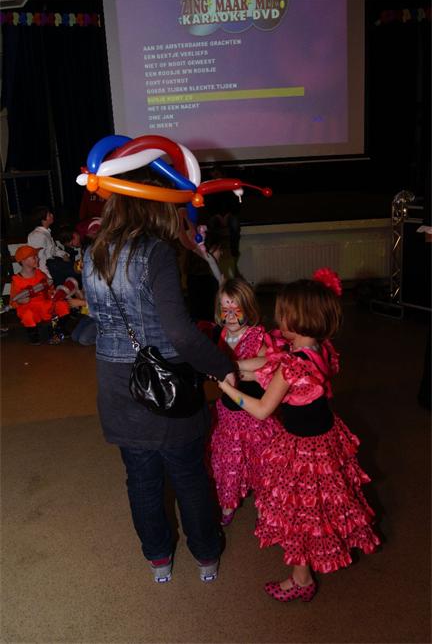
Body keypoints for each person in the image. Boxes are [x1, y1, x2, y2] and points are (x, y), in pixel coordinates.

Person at [82, 167, 235, 584]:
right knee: (188, 474)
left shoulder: (92, 253)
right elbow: (181, 334)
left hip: (116, 382)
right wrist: (223, 367)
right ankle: (206, 555)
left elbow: (98, 317)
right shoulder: (157, 253)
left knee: (141, 479)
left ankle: (158, 559)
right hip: (166, 383)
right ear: (155, 208)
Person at [218, 269, 381, 602]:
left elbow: (262, 409)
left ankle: (301, 579)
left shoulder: (292, 366)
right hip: (324, 439)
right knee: (313, 507)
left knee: (297, 511)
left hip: (303, 450)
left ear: (297, 320)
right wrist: (235, 366)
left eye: (283, 314)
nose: (278, 320)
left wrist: (225, 386)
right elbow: (267, 364)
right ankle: (302, 573)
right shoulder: (319, 348)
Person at [206, 278, 282, 525]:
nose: (229, 315)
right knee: (227, 462)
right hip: (227, 415)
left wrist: (231, 365)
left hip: (254, 416)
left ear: (248, 310)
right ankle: (227, 504)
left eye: (235, 309)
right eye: (224, 308)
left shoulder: (256, 335)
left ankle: (264, 508)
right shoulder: (220, 334)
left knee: (261, 464)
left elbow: (267, 360)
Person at [10, 245, 70, 345]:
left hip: (44, 303)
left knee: (62, 304)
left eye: (37, 256)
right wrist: (20, 301)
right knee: (28, 315)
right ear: (23, 261)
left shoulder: (39, 273)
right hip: (29, 306)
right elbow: (13, 300)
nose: (37, 258)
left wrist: (52, 292)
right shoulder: (17, 280)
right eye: (34, 257)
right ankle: (32, 333)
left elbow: (49, 288)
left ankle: (59, 328)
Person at [27, 206, 77, 287]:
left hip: (53, 266)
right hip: (48, 270)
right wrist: (49, 278)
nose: (52, 215)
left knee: (75, 271)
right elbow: (40, 260)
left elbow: (52, 249)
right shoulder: (37, 235)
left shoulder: (45, 232)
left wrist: (64, 254)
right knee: (74, 274)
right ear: (43, 219)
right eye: (49, 214)